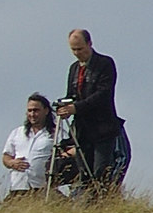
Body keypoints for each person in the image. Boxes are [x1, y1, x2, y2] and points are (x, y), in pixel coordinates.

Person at [55, 28, 129, 199]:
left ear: (89, 44)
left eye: (80, 49)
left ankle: (103, 202)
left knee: (101, 171)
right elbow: (71, 95)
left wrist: (77, 107)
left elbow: (103, 94)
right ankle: (86, 203)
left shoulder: (105, 63)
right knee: (83, 171)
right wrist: (65, 107)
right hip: (82, 131)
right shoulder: (73, 68)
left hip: (102, 129)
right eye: (73, 49)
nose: (77, 53)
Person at [2, 94, 58, 200]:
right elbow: (6, 156)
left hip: (42, 188)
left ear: (46, 111)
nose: (32, 114)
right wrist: (11, 163)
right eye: (30, 110)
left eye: (36, 110)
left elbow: (70, 151)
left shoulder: (56, 133)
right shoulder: (17, 132)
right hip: (18, 187)